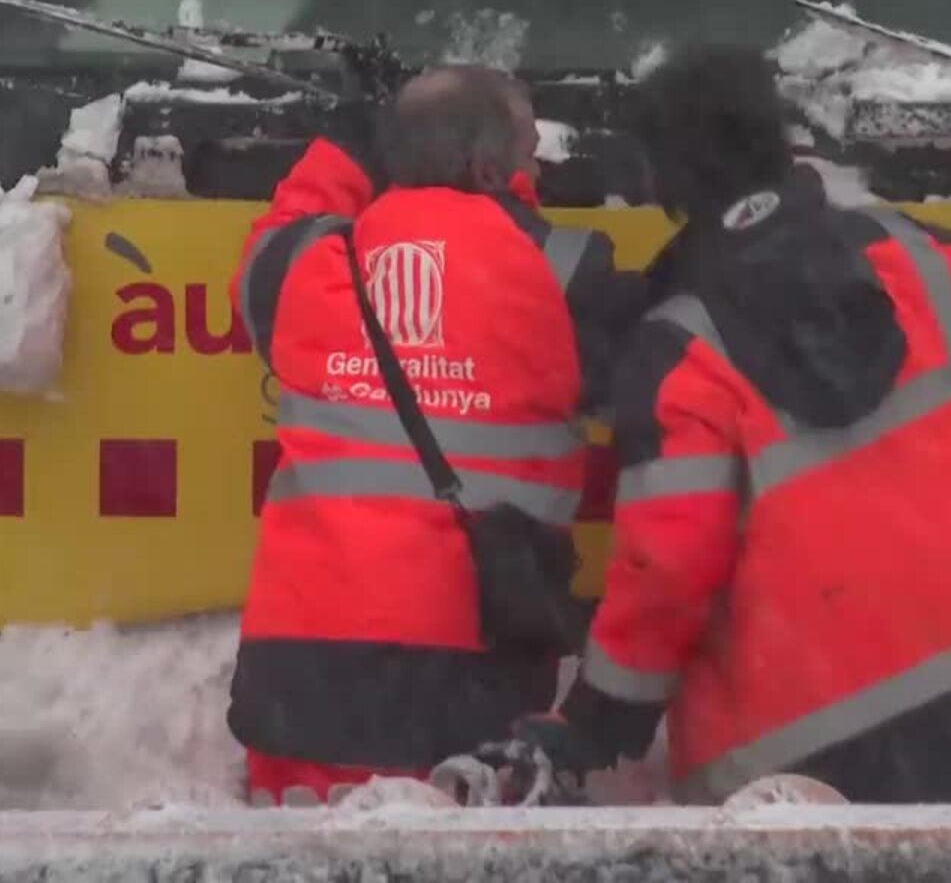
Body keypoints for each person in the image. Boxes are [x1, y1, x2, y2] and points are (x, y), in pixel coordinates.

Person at [521, 45, 951, 805]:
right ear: (780, 140)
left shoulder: (681, 347)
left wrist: (598, 719)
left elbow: (669, 569)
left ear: (659, 180)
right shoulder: (915, 252)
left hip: (808, 752)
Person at [226, 65, 641, 805]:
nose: (537, 166)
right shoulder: (563, 271)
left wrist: (346, 151)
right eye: (529, 151)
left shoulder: (306, 263)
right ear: (489, 168)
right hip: (469, 678)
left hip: (299, 682)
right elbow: (652, 387)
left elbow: (272, 241)